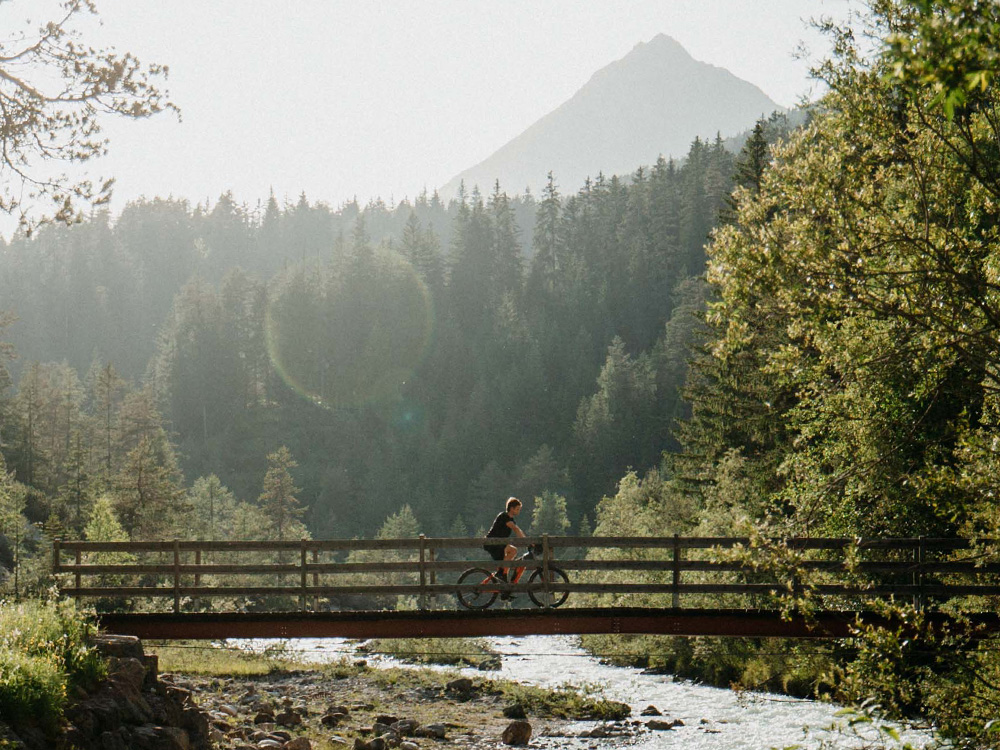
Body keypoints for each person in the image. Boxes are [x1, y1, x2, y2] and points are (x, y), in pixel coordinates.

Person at [483, 497, 525, 590]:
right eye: (517, 509)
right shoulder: (504, 516)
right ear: (511, 508)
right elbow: (516, 529)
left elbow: (517, 529)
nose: (519, 511)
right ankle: (502, 575)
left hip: (498, 544)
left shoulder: (511, 519)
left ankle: (503, 579)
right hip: (492, 543)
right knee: (513, 550)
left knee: (510, 554)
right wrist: (528, 542)